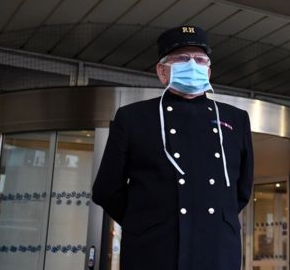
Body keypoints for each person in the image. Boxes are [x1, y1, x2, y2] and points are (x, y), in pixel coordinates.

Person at [92, 25, 254, 270]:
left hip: (218, 253)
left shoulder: (236, 119)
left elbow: (241, 191)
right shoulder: (133, 117)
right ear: (162, 71)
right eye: (181, 58)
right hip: (153, 252)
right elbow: (106, 189)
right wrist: (146, 222)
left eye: (200, 59)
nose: (192, 65)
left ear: (208, 71)